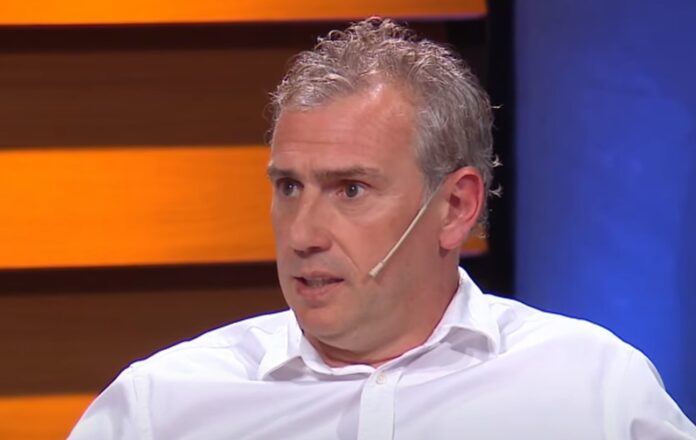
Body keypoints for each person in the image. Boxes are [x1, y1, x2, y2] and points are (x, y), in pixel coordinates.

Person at [69, 18, 696, 439]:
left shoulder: (594, 391)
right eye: (289, 187)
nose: (303, 235)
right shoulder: (162, 408)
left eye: (350, 189)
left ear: (455, 208)